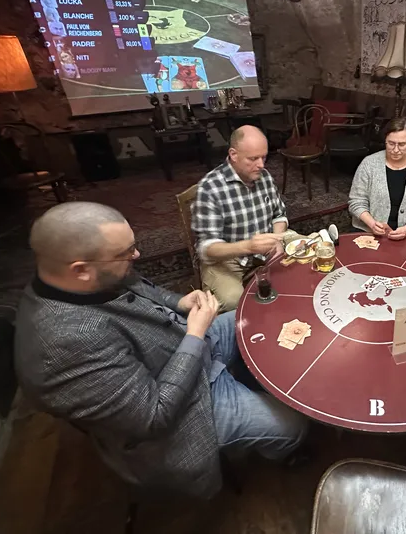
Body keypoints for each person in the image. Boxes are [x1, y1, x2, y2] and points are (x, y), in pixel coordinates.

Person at [15, 202, 307, 497]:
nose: (137, 255)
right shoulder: (65, 343)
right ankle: (285, 453)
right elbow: (154, 416)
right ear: (80, 270)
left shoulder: (82, 277)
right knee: (292, 425)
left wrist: (179, 303)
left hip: (186, 347)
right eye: (126, 252)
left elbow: (141, 289)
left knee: (258, 315)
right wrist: (194, 335)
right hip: (187, 405)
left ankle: (250, 381)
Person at [192, 125, 287, 311]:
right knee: (232, 300)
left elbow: (279, 215)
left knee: (311, 253)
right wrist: (248, 246)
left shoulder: (264, 176)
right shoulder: (210, 188)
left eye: (264, 157)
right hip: (227, 258)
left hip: (265, 247)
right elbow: (206, 249)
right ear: (233, 155)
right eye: (253, 158)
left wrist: (277, 239)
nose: (261, 165)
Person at [348, 117, 406, 239]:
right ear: (385, 140)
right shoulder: (369, 164)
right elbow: (356, 202)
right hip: (368, 232)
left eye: (402, 145)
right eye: (391, 143)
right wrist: (372, 224)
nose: (395, 150)